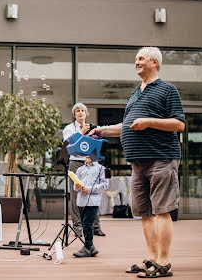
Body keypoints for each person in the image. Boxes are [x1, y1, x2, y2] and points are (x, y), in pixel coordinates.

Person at [89, 47, 185, 278]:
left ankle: (164, 261)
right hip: (137, 162)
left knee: (162, 211)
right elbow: (129, 125)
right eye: (136, 59)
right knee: (144, 212)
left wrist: (149, 122)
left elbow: (179, 124)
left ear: (155, 62)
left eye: (141, 58)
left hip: (161, 158)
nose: (137, 62)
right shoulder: (135, 92)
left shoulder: (167, 90)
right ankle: (151, 258)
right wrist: (103, 131)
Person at [62, 103, 106, 237]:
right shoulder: (69, 128)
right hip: (75, 163)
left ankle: (95, 226)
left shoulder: (93, 128)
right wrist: (81, 132)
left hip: (91, 163)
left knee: (92, 192)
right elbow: (68, 143)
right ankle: (77, 226)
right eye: (78, 111)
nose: (80, 113)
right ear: (74, 115)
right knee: (76, 195)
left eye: (83, 111)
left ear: (86, 114)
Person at [72, 156, 109, 257]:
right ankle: (91, 247)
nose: (88, 155)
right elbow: (75, 184)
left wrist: (89, 189)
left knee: (88, 224)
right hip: (81, 201)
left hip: (93, 201)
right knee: (84, 224)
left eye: (91, 153)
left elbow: (105, 184)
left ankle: (88, 247)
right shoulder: (80, 169)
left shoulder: (101, 169)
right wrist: (76, 186)